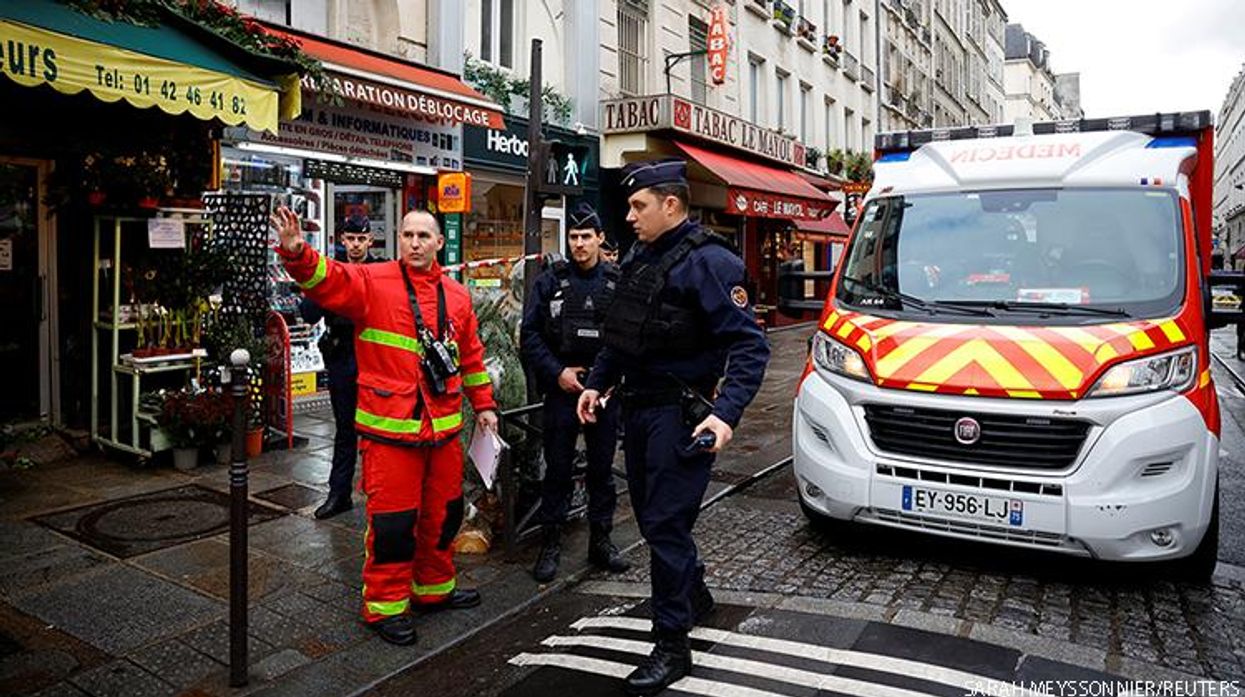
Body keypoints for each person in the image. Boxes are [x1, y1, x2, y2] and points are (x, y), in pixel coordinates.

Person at [576, 159, 770, 695]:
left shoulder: (709, 263)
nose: (630, 216)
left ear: (671, 205)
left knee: (663, 527)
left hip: (679, 417)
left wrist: (725, 413)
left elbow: (750, 346)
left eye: (639, 206)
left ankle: (671, 645)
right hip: (636, 413)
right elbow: (621, 335)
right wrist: (596, 382)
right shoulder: (641, 255)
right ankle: (696, 594)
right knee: (654, 519)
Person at [272, 206, 499, 647]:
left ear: (439, 243)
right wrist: (297, 251)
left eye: (423, 236)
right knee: (393, 527)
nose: (414, 243)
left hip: (444, 432)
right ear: (399, 239)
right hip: (389, 433)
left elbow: (470, 357)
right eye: (407, 235)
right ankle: (385, 606)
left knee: (444, 517)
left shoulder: (457, 296)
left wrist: (485, 405)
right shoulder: (372, 282)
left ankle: (433, 589)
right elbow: (329, 279)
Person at [520, 202, 630, 583]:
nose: (579, 244)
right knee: (558, 470)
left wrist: (609, 381)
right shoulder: (550, 280)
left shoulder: (618, 282)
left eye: (586, 236)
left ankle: (601, 542)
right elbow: (529, 336)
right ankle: (550, 545)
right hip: (563, 390)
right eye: (573, 236)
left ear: (600, 239)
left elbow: (630, 339)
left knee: (601, 471)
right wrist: (558, 373)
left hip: (604, 393)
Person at [298, 214, 381, 519]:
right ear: (342, 240)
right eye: (351, 239)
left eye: (361, 239)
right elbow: (307, 313)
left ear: (370, 240)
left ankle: (379, 492)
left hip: (375, 356)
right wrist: (325, 286)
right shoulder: (331, 271)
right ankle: (339, 493)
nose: (356, 245)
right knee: (345, 428)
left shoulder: (380, 271)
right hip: (342, 355)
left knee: (377, 430)